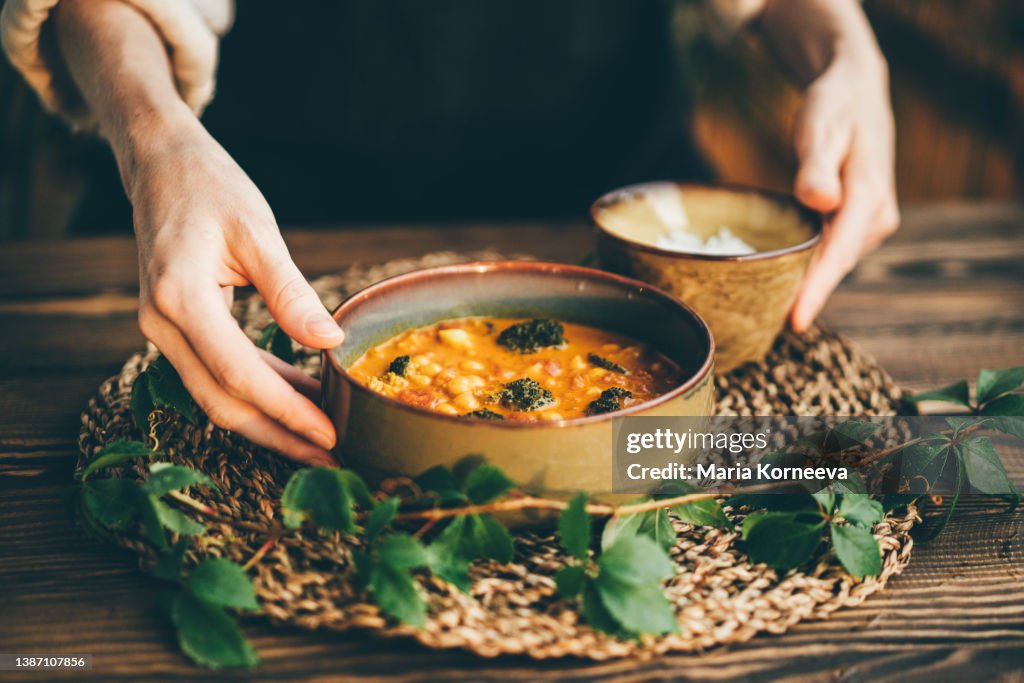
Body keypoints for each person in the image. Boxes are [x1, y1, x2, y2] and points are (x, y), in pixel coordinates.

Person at [1, 0, 898, 466]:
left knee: (878, 461)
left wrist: (848, 52)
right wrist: (156, 138)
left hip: (626, 216)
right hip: (268, 217)